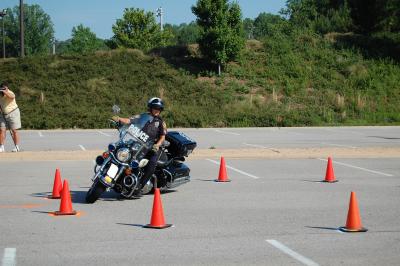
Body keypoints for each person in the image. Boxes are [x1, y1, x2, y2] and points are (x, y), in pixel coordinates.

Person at [112, 97, 167, 198]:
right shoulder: (143, 116)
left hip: (152, 148)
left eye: (159, 109)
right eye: (155, 108)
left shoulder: (160, 122)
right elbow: (129, 120)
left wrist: (157, 145)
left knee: (152, 164)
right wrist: (119, 118)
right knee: (125, 154)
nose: (157, 110)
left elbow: (162, 137)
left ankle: (140, 187)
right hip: (139, 144)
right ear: (150, 108)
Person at [0, 82, 21, 152]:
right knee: (2, 130)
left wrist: (5, 92)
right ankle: (1, 147)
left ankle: (17, 146)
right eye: (2, 88)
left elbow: (11, 97)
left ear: (7, 88)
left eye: (5, 88)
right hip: (3, 114)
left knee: (14, 131)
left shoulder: (10, 92)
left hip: (13, 113)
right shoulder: (0, 95)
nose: (3, 89)